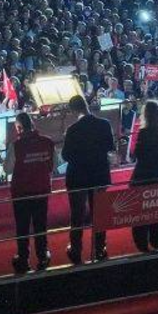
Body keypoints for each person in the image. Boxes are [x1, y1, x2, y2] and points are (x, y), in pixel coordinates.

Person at [61, 95, 114, 265]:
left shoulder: (72, 129)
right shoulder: (104, 124)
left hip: (78, 176)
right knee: (98, 213)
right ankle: (100, 248)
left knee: (77, 215)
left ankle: (76, 249)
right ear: (86, 105)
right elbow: (110, 147)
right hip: (99, 174)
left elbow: (65, 155)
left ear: (73, 110)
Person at [6, 111, 55, 273]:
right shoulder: (47, 142)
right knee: (40, 225)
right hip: (41, 190)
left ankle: (23, 259)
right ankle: (42, 256)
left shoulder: (16, 145)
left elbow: (7, 168)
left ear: (19, 127)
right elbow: (53, 166)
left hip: (21, 192)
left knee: (22, 227)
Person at [129, 100, 158, 252]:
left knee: (140, 214)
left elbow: (138, 154)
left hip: (142, 176)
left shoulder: (145, 132)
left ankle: (142, 245)